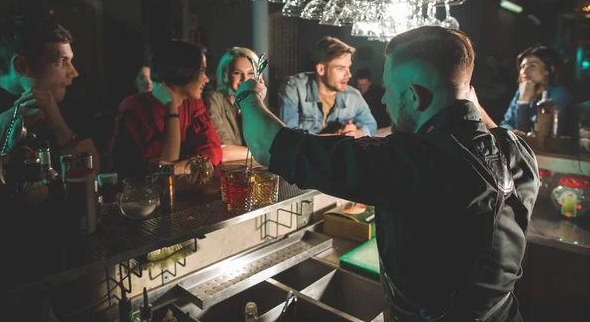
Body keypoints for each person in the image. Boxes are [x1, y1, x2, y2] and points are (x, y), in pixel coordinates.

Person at [236, 27, 538, 321]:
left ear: (415, 97)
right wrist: (458, 91)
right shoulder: (517, 149)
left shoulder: (408, 161)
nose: (383, 101)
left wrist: (248, 94)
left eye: (390, 91)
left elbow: (268, 145)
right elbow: (474, 116)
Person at [0, 14, 100, 174]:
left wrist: (60, 127)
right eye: (60, 62)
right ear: (22, 66)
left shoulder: (70, 100)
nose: (74, 72)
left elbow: (92, 173)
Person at [110, 40, 222, 180]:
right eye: (201, 71)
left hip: (182, 189)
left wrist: (176, 168)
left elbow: (212, 150)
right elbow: (146, 168)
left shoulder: (194, 103)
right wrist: (171, 106)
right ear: (182, 71)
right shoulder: (134, 108)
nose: (206, 79)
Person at [277, 36, 377, 137]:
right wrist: (335, 137)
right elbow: (289, 138)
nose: (349, 75)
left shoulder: (353, 95)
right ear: (321, 69)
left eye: (348, 67)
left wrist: (358, 133)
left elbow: (371, 124)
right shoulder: (294, 88)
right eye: (340, 68)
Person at [498, 46, 573, 136]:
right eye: (522, 66)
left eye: (532, 66)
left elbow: (532, 133)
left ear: (550, 70)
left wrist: (524, 103)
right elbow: (506, 123)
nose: (524, 71)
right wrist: (510, 132)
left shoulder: (560, 95)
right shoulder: (521, 92)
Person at [204, 47, 262, 162]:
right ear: (225, 75)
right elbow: (222, 153)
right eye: (237, 73)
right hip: (222, 175)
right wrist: (260, 153)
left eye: (251, 73)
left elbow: (269, 144)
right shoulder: (213, 99)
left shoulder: (255, 103)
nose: (245, 79)